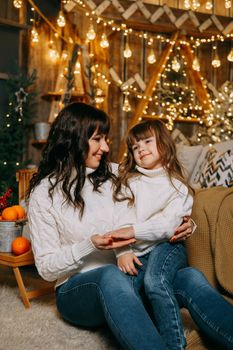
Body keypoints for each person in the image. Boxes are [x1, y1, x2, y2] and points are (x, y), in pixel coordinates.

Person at [27, 102, 233, 350]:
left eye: (106, 139)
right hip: (78, 292)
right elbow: (47, 269)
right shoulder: (44, 194)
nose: (106, 147)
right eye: (98, 139)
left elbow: (164, 192)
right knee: (109, 274)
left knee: (189, 277)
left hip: (130, 279)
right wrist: (89, 245)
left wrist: (187, 224)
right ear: (74, 139)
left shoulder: (115, 173)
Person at [108, 119, 193, 349]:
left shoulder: (177, 187)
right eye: (135, 147)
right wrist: (122, 251)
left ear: (164, 144)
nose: (141, 149)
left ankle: (174, 345)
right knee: (124, 292)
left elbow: (169, 226)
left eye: (147, 141)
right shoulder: (129, 182)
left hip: (169, 246)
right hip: (138, 251)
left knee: (155, 280)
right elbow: (119, 221)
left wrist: (132, 231)